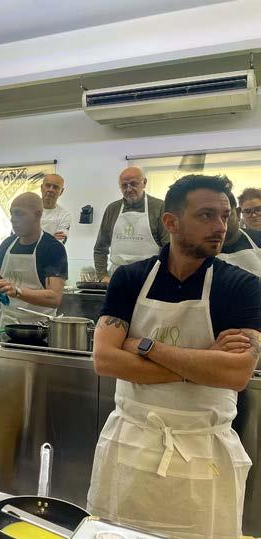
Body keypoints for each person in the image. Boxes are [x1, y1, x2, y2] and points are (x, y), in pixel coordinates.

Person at [88, 174, 260, 538]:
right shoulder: (129, 278)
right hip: (130, 445)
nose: (220, 227)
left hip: (205, 452)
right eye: (206, 215)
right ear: (171, 222)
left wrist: (148, 348)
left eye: (224, 216)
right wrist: (203, 363)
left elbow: (236, 375)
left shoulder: (242, 286)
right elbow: (105, 360)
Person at [0, 192, 68, 325]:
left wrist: (18, 291)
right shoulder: (7, 245)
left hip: (38, 326)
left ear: (38, 215)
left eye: (19, 214)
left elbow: (54, 298)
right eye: (12, 214)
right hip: (5, 324)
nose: (13, 219)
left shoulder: (52, 248)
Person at [94, 166, 169, 282]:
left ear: (144, 183)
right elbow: (100, 248)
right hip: (117, 276)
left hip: (150, 276)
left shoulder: (159, 207)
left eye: (134, 184)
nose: (129, 189)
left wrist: (165, 277)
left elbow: (169, 248)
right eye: (124, 185)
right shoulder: (112, 209)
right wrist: (102, 275)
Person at [218, 191, 261, 277]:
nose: (218, 224)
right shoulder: (199, 251)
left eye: (225, 216)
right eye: (207, 216)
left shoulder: (258, 238)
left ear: (238, 213)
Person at [40, 173, 72, 243]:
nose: (51, 190)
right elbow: (20, 238)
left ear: (61, 191)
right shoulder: (27, 210)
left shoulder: (65, 215)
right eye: (48, 185)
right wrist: (51, 238)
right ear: (41, 188)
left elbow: (58, 244)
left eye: (55, 187)